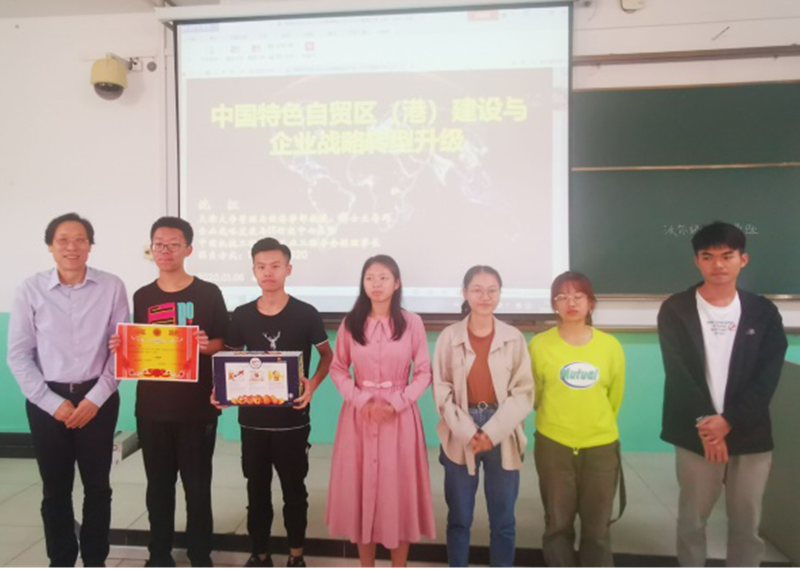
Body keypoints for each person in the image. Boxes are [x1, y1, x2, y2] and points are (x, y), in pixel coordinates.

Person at [658, 221, 788, 569]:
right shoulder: (676, 309)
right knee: (692, 521)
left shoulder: (763, 312)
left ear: (743, 259)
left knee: (746, 525)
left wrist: (729, 421)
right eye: (708, 256)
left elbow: (767, 376)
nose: (718, 264)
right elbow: (678, 373)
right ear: (696, 261)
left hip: (749, 431)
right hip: (695, 431)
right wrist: (708, 424)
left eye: (727, 256)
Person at [7, 213, 129, 569]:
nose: (71, 247)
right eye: (63, 240)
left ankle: (95, 560)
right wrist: (51, 403)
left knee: (98, 487)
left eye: (80, 240)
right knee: (55, 489)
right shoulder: (30, 289)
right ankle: (60, 559)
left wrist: (95, 399)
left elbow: (121, 351)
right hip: (47, 401)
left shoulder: (112, 286)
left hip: (98, 399)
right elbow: (18, 354)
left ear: (90, 245)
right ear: (50, 245)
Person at [111, 217, 229, 568]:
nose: (165, 250)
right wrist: (123, 347)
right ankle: (159, 555)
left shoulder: (208, 293)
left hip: (197, 408)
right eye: (159, 244)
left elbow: (224, 342)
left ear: (187, 249)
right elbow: (139, 346)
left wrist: (206, 346)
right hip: (152, 409)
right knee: (158, 488)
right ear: (151, 249)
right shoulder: (143, 295)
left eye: (173, 244)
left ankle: (200, 555)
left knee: (198, 487)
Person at [219, 238, 333, 569]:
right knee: (256, 492)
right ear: (253, 270)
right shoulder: (242, 315)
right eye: (261, 266)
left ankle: (296, 556)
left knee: (294, 491)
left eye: (275, 266)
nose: (268, 272)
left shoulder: (306, 313)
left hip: (293, 420)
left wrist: (312, 385)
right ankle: (260, 554)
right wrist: (223, 391)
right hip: (252, 422)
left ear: (288, 269)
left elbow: (327, 356)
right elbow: (230, 360)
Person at [326, 255, 436, 569]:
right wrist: (361, 400)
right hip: (358, 416)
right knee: (361, 494)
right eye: (370, 278)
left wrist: (397, 402)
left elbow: (424, 372)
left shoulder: (412, 323)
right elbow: (338, 369)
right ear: (363, 283)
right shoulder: (351, 322)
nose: (376, 284)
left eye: (384, 277)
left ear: (397, 283)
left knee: (397, 495)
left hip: (400, 418)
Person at [433, 266, 534, 569]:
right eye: (477, 290)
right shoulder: (449, 337)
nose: (485, 296)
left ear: (500, 294)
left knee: (503, 518)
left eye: (492, 290)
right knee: (459, 517)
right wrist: (469, 432)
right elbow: (441, 390)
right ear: (464, 293)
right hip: (459, 428)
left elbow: (523, 392)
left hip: (502, 429)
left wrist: (492, 432)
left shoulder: (514, 338)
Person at [529, 271, 626, 568]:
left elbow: (614, 397)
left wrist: (594, 426)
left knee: (597, 528)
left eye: (578, 296)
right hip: (553, 444)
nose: (570, 302)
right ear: (554, 305)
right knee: (557, 524)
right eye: (562, 297)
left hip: (600, 446)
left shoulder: (610, 346)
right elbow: (535, 395)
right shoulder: (539, 345)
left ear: (590, 303)